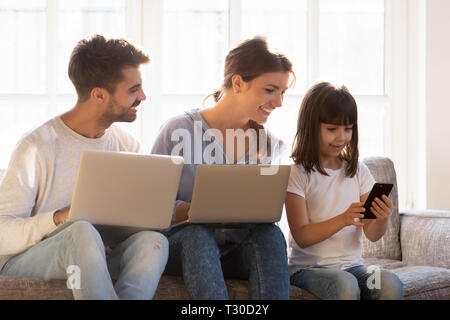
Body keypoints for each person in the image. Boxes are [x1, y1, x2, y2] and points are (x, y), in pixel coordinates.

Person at [0, 34, 168, 300]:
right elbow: (2, 233)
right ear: (99, 95)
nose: (143, 96)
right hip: (31, 262)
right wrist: (59, 218)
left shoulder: (128, 145)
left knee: (152, 242)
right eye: (133, 90)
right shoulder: (36, 146)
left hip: (96, 258)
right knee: (80, 230)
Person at [151, 36, 294, 299]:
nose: (279, 103)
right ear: (238, 82)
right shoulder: (178, 130)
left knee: (271, 235)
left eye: (283, 93)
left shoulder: (269, 144)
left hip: (237, 250)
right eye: (270, 90)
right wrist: (190, 211)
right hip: (184, 247)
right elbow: (148, 206)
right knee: (196, 235)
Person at [285, 81, 404, 300]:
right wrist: (343, 219)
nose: (341, 137)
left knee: (388, 282)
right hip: (308, 270)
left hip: (354, 268)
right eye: (332, 129)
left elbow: (372, 234)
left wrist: (382, 218)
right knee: (345, 285)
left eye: (347, 129)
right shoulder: (297, 174)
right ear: (311, 127)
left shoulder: (358, 170)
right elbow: (301, 235)